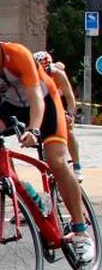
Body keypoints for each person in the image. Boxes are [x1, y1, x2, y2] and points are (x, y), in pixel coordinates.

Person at [0, 10, 93, 263]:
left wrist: (33, 129)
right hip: (13, 104)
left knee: (57, 161)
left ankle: (81, 233)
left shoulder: (17, 53)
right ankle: (16, 184)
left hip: (45, 102)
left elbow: (37, 98)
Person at [35, 50, 83, 182]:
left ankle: (77, 164)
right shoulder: (34, 76)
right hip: (44, 105)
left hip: (60, 104)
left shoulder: (58, 74)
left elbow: (70, 98)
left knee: (68, 129)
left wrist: (70, 114)